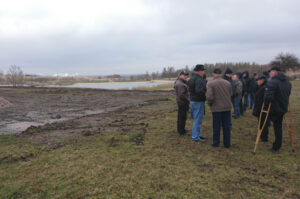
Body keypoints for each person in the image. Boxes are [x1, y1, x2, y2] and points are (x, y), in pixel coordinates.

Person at [264, 66, 291, 153]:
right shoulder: (287, 82)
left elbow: (268, 97)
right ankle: (277, 145)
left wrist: (266, 104)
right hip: (283, 107)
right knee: (278, 126)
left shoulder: (273, 82)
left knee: (277, 127)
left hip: (275, 108)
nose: (269, 73)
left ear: (275, 72)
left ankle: (276, 147)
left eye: (270, 72)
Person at [206, 68, 232, 148]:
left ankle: (216, 143)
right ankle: (227, 143)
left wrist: (210, 104)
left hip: (216, 108)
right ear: (221, 74)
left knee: (216, 126)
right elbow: (231, 94)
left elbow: (209, 97)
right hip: (227, 107)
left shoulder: (211, 83)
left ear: (213, 74)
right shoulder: (228, 83)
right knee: (226, 126)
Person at [188, 64, 207, 142]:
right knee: (197, 119)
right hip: (198, 101)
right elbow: (199, 91)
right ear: (199, 71)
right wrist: (205, 90)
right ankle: (195, 137)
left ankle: (198, 135)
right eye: (203, 70)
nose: (203, 72)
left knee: (197, 119)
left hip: (193, 100)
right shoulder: (198, 79)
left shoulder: (192, 78)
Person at [252, 75, 269, 142]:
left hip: (262, 109)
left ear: (262, 81)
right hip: (259, 108)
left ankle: (264, 137)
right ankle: (260, 134)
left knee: (263, 123)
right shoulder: (260, 87)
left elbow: (261, 100)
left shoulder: (264, 88)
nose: (257, 82)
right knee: (260, 122)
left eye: (258, 81)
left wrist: (259, 109)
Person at [175, 71, 190, 136]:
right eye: (184, 75)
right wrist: (188, 99)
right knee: (182, 117)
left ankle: (181, 129)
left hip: (182, 102)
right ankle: (181, 131)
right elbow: (181, 95)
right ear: (180, 76)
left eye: (186, 75)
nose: (186, 76)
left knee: (182, 117)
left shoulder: (181, 82)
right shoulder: (180, 84)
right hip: (182, 103)